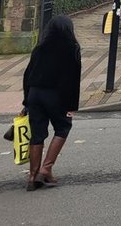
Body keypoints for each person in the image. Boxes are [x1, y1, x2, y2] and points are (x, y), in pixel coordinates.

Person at [22, 15, 82, 191]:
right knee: (63, 128)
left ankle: (32, 177)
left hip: (35, 94)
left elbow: (28, 75)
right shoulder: (72, 48)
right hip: (56, 95)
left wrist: (26, 101)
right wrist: (71, 107)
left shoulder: (40, 47)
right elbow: (72, 81)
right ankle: (45, 169)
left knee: (37, 134)